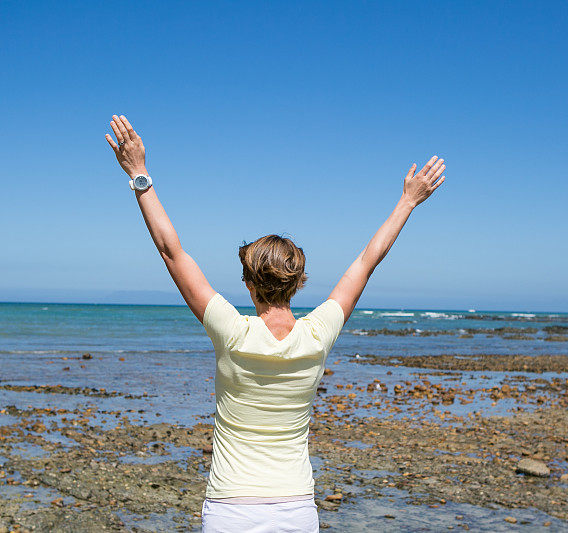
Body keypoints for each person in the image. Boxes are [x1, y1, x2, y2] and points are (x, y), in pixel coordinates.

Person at [104, 115, 446, 533]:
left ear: (247, 283)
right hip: (295, 510)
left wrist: (139, 174)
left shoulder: (233, 332)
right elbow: (367, 262)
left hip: (231, 507)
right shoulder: (317, 335)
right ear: (299, 282)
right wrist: (408, 201)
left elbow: (171, 252)